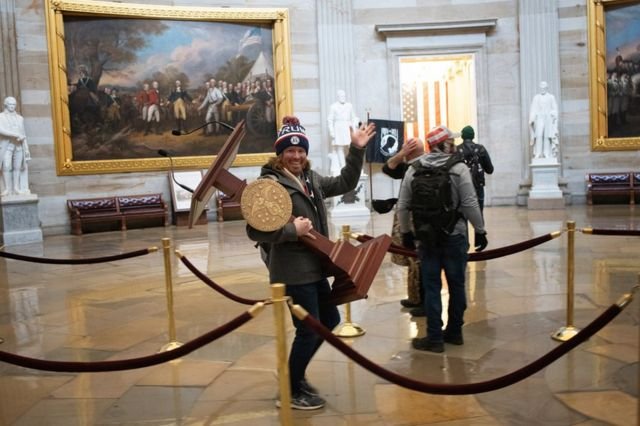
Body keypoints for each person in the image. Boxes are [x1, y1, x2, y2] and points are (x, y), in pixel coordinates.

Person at [246, 116, 375, 410]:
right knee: (309, 328)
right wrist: (293, 230)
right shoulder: (269, 185)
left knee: (329, 321)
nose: (296, 156)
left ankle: (295, 375)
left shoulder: (311, 179)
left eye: (300, 150)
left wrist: (356, 150)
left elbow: (346, 182)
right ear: (280, 154)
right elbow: (254, 230)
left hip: (316, 266)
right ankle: (290, 390)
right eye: (290, 151)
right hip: (292, 270)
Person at [397, 125, 487, 353]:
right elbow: (469, 203)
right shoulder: (459, 168)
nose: (454, 145)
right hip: (454, 235)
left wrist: (407, 233)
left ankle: (434, 337)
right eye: (451, 142)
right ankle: (455, 332)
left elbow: (403, 206)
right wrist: (480, 230)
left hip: (427, 238)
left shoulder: (414, 168)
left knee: (432, 286)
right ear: (445, 144)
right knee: (457, 285)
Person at [382, 137, 425, 315]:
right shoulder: (408, 166)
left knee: (418, 261)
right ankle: (415, 297)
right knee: (411, 259)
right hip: (408, 218)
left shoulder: (423, 166)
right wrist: (402, 154)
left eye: (405, 148)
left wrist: (402, 153)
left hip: (418, 220)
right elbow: (388, 167)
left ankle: (423, 301)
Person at [457, 125, 494, 214]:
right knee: (479, 216)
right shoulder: (481, 149)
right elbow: (490, 170)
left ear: (462, 136)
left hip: (462, 187)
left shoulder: (457, 150)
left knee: (462, 217)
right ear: (473, 136)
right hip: (478, 186)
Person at [0, 96, 30, 196]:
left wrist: (26, 148)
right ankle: (7, 189)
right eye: (10, 104)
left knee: (18, 167)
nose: (12, 106)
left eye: (14, 104)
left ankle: (16, 188)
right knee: (6, 166)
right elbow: (1, 130)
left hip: (19, 146)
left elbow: (23, 133)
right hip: (7, 146)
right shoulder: (1, 117)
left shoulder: (20, 118)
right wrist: (15, 134)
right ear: (6, 105)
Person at [327, 89, 359, 175]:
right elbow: (330, 120)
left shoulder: (349, 106)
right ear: (338, 97)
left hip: (347, 127)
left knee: (350, 147)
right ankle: (343, 166)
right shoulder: (333, 106)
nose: (343, 98)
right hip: (338, 127)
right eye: (341, 96)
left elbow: (353, 117)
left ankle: (350, 165)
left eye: (344, 96)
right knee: (339, 148)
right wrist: (331, 131)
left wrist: (355, 124)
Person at [529, 81, 559, 160]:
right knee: (538, 135)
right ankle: (538, 153)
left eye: (544, 87)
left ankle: (546, 153)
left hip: (548, 118)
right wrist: (532, 118)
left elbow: (554, 109)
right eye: (541, 87)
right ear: (540, 88)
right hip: (539, 118)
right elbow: (533, 109)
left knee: (547, 136)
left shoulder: (551, 97)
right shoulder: (536, 97)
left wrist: (553, 114)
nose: (543, 89)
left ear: (546, 88)